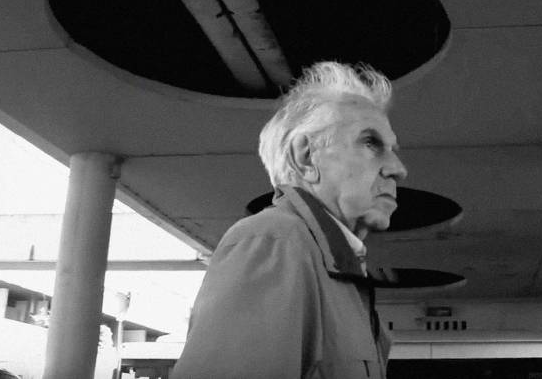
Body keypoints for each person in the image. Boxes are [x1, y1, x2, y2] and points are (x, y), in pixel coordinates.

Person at [172, 61, 407, 378]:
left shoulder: (330, 265)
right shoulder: (274, 240)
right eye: (370, 142)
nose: (398, 169)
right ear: (306, 157)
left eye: (392, 149)